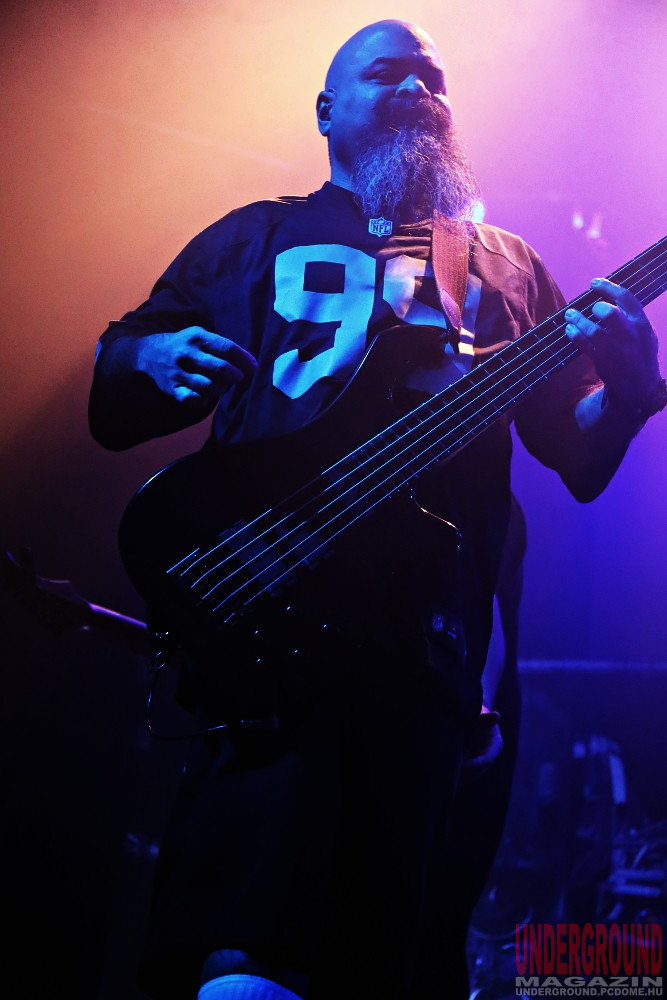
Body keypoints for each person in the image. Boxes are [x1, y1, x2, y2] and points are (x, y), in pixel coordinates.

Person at [88, 19, 664, 1000]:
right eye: (387, 73)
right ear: (324, 111)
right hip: (267, 621)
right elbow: (114, 393)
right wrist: (149, 354)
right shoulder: (250, 238)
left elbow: (577, 451)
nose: (417, 90)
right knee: (245, 949)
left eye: (433, 78)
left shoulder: (505, 265)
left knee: (391, 954)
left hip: (429, 654)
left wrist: (633, 392)